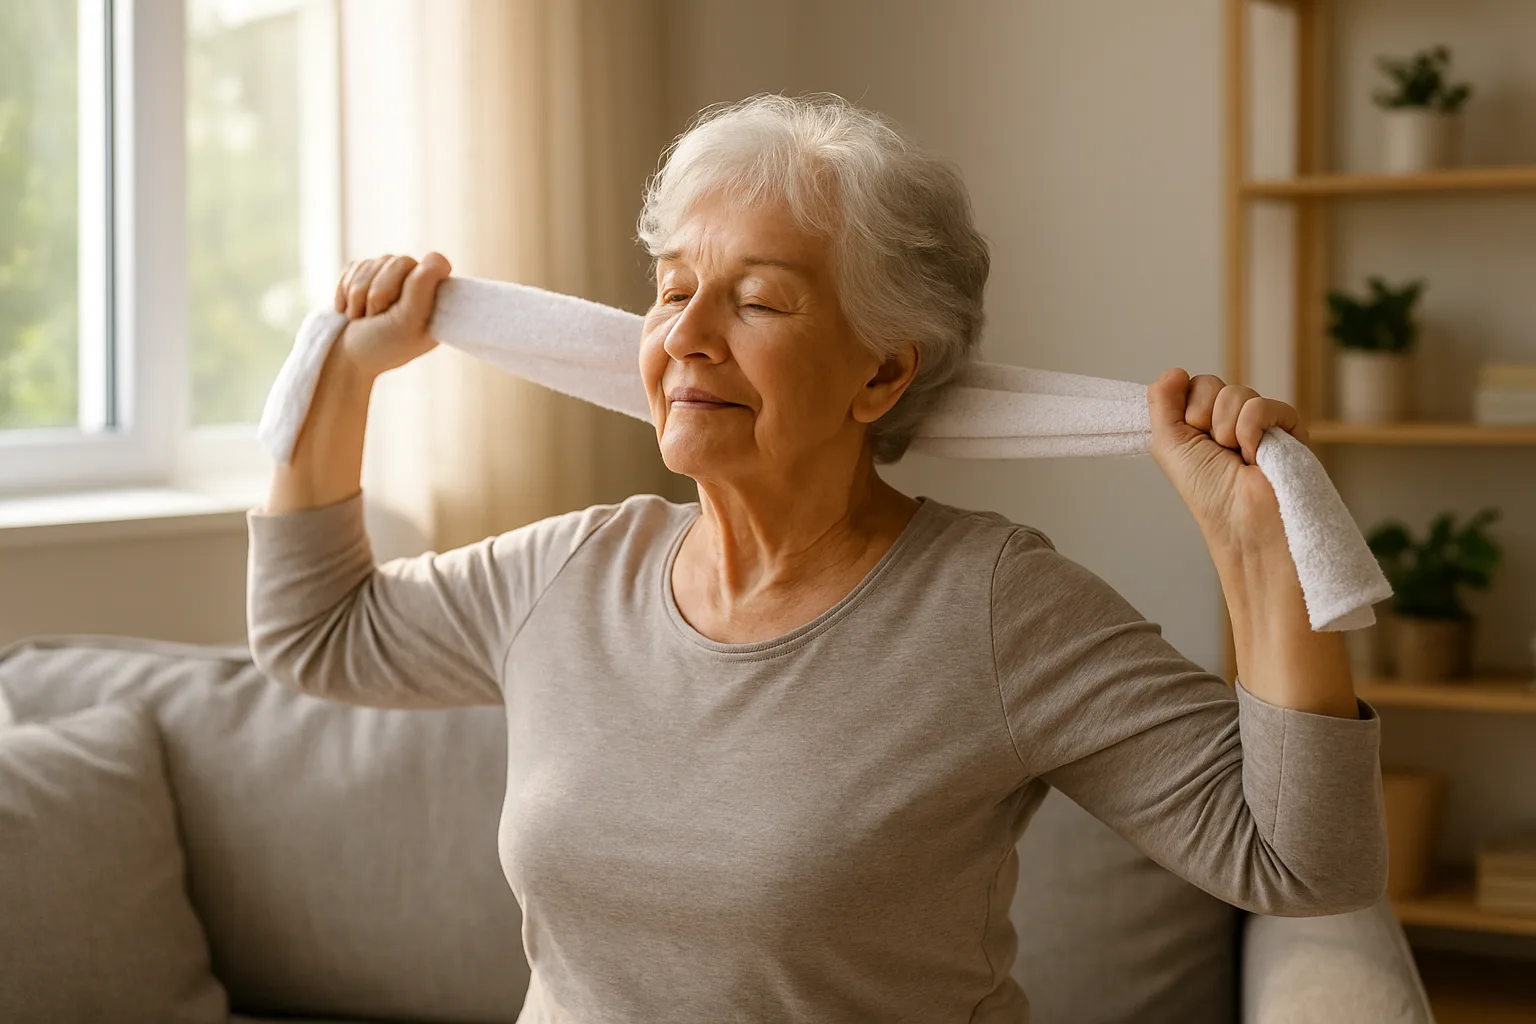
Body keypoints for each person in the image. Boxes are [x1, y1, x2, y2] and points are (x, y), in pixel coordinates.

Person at [247, 93, 1386, 1023]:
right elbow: (318, 635)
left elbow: (1300, 863)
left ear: (884, 375)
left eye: (756, 300)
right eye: (674, 289)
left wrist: (1259, 552)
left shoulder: (992, 607)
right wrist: (349, 373)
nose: (688, 337)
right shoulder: (572, 571)